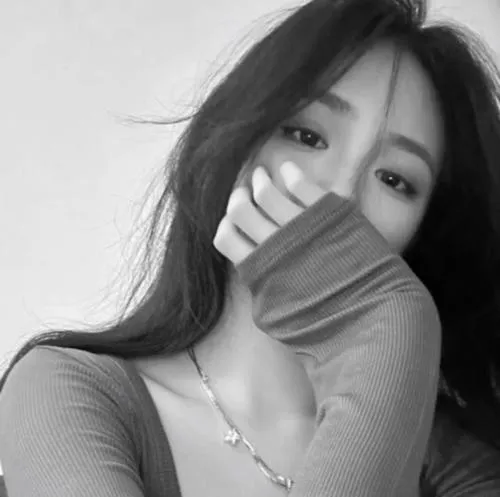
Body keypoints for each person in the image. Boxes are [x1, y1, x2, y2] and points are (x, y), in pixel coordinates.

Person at [1, 0, 500, 495]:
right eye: (307, 135)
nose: (342, 195)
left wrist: (392, 335)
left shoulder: (461, 468)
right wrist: (394, 323)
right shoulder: (67, 396)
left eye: (394, 179)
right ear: (234, 144)